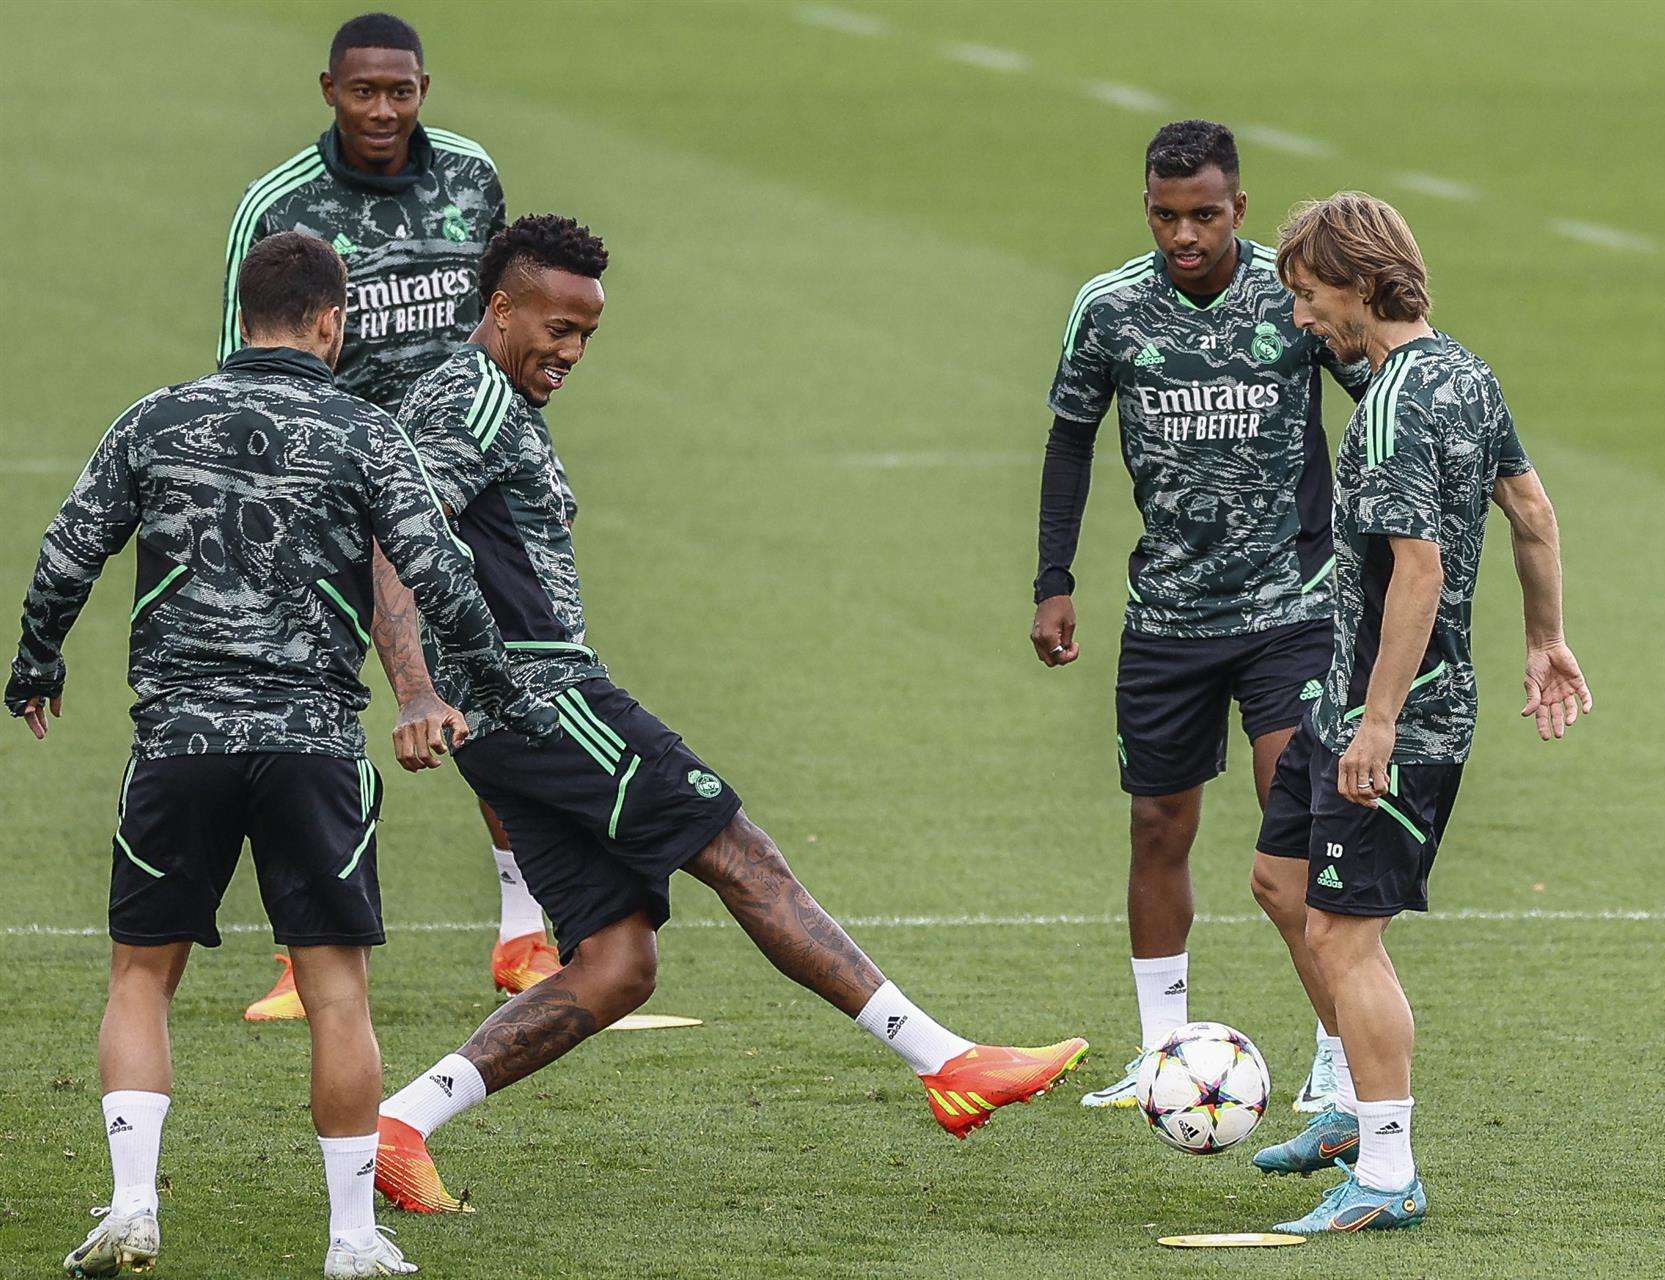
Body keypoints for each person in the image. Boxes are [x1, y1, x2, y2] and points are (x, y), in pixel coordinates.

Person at [368, 213, 1089, 1212]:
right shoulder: (475, 399)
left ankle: (401, 1122)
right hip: (545, 700)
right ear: (501, 308)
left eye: (587, 333)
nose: (572, 351)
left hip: (508, 726)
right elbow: (393, 539)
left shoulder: (484, 397)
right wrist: (413, 688)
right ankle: (948, 1060)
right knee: (741, 851)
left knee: (618, 963)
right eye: (558, 327)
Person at [8, 231, 558, 1277]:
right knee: (337, 988)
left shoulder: (156, 418)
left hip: (178, 741)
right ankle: (351, 1236)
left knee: (140, 975)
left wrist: (36, 660)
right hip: (311, 745)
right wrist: (490, 688)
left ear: (241, 314)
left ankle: (134, 1204)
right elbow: (438, 571)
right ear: (328, 319)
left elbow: (69, 547)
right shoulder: (363, 430)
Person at [1245, 193, 1592, 1233]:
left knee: (1348, 940)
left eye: (1309, 298)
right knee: (1280, 881)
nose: (1301, 320)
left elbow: (1421, 573)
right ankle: (1353, 1110)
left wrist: (1381, 723)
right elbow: (1530, 511)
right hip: (1344, 699)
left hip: (1392, 713)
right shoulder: (1463, 371)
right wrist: (1545, 635)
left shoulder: (1396, 406)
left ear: (1360, 285)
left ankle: (1388, 1172)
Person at [220, 11, 566, 1021]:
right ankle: (304, 944)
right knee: (306, 704)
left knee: (500, 674)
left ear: (425, 88)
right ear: (328, 88)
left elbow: (505, 311)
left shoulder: (470, 175)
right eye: (364, 92)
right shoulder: (277, 204)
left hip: (461, 475)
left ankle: (523, 931)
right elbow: (240, 351)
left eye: (402, 91)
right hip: (330, 473)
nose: (384, 110)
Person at [1030, 120, 1368, 1111]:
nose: (1186, 235)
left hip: (1290, 609)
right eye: (1167, 215)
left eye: (1206, 216)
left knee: (1292, 826)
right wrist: (1053, 579)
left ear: (1240, 208)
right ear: (1147, 206)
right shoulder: (1109, 309)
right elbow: (1068, 442)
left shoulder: (1291, 295)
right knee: (1156, 827)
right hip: (1168, 617)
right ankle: (1162, 1047)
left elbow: (1376, 390)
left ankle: (1339, 1052)